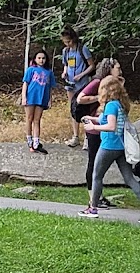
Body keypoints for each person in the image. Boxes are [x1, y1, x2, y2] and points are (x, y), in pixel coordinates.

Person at [79, 75, 140, 217]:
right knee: (130, 179)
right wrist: (92, 118)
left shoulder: (111, 105)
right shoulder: (120, 104)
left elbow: (111, 126)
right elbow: (106, 119)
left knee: (97, 176)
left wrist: (93, 127)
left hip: (109, 145)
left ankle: (92, 208)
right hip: (121, 147)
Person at [77, 58, 124, 209]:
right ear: (109, 69)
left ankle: (98, 199)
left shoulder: (114, 84)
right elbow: (80, 99)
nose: (120, 70)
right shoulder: (98, 83)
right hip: (95, 127)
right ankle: (93, 199)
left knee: (100, 166)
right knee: (94, 163)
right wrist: (101, 97)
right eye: (117, 68)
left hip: (105, 130)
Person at [60, 27, 95, 146]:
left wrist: (81, 75)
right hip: (70, 84)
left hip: (82, 83)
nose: (67, 44)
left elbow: (91, 66)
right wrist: (64, 72)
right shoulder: (65, 51)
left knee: (84, 109)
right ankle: (75, 136)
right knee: (73, 109)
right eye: (65, 42)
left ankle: (87, 136)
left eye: (69, 41)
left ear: (73, 39)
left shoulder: (82, 49)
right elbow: (66, 64)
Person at [21, 49, 55, 154]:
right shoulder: (31, 70)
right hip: (31, 97)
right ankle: (29, 139)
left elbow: (49, 87)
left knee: (37, 119)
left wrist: (50, 99)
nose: (41, 60)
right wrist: (24, 97)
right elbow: (25, 83)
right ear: (35, 59)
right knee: (29, 118)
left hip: (42, 98)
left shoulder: (49, 72)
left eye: (43, 58)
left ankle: (36, 141)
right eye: (39, 58)